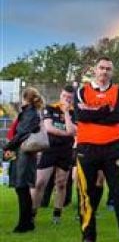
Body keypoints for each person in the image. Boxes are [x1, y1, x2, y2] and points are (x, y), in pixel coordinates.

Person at [74, 57, 119, 242]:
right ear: (95, 70)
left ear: (112, 72)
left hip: (113, 147)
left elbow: (117, 117)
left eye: (108, 69)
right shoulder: (82, 91)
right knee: (86, 194)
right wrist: (104, 110)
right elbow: (80, 116)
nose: (104, 72)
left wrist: (92, 111)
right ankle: (88, 237)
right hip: (87, 147)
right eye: (101, 68)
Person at [32, 86, 76, 224]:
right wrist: (66, 133)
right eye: (64, 96)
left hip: (66, 151)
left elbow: (74, 130)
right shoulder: (50, 108)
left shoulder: (76, 112)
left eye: (69, 97)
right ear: (60, 95)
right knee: (39, 183)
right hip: (50, 149)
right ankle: (32, 214)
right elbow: (49, 127)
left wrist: (67, 113)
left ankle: (57, 215)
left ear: (72, 98)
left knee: (61, 184)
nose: (66, 99)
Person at [3, 87, 44, 233]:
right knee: (23, 189)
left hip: (24, 154)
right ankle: (27, 223)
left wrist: (7, 146)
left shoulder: (29, 113)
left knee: (22, 188)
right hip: (24, 154)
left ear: (25, 98)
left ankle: (24, 224)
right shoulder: (30, 113)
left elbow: (22, 133)